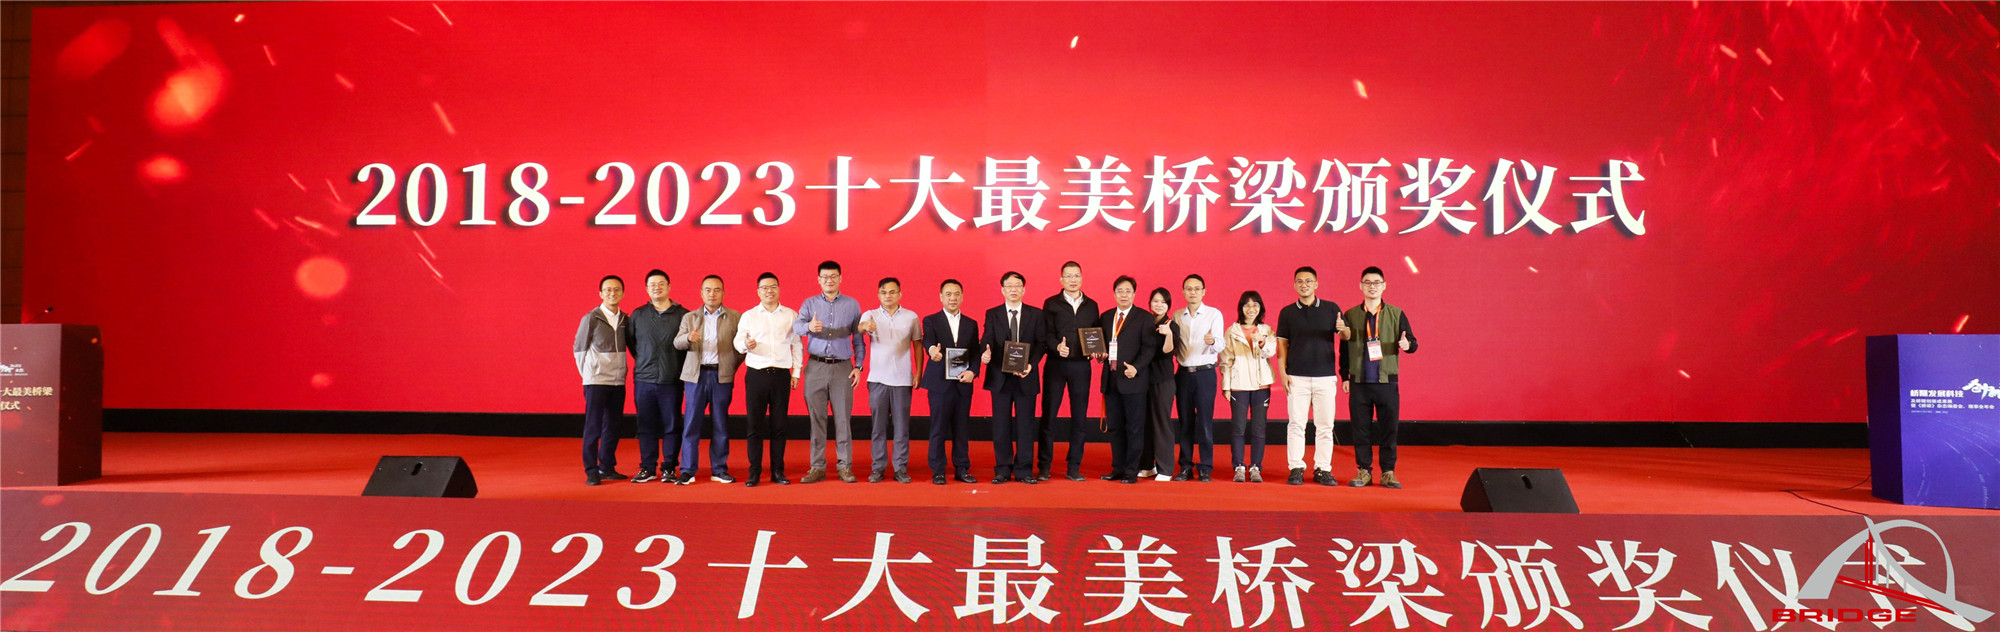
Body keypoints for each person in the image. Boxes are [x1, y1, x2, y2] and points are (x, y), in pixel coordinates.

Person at [1341, 266, 1419, 489]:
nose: (1372, 286)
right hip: (1359, 381)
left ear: (1384, 286)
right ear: (1360, 286)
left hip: (1387, 381)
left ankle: (1388, 472)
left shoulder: (1396, 313)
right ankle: (1364, 470)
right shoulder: (1351, 315)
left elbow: (1413, 343)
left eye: (1376, 282)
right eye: (1367, 282)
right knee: (1360, 429)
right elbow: (1343, 349)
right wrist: (1345, 376)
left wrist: (1407, 345)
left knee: (1389, 429)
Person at [1275, 266, 1349, 487]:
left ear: (1316, 284)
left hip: (1325, 377)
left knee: (1325, 426)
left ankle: (1323, 469)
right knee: (1296, 424)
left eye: (1308, 281)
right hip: (1296, 377)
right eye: (1299, 281)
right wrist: (1283, 373)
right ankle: (1296, 467)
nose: (1304, 285)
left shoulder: (1331, 309)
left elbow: (1346, 336)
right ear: (1294, 285)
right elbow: (1282, 345)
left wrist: (1343, 329)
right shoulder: (1287, 312)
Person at [794, 260, 866, 484]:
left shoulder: (852, 305)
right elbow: (796, 327)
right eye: (825, 277)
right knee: (817, 418)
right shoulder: (809, 303)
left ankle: (845, 466)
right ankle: (817, 466)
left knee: (843, 419)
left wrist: (858, 366)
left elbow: (858, 339)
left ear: (840, 278)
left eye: (833, 276)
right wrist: (808, 327)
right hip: (815, 366)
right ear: (818, 280)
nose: (829, 280)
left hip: (843, 367)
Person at [734, 272, 803, 487]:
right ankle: (754, 471)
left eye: (773, 287)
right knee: (754, 425)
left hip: (781, 375)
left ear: (779, 289)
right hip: (756, 374)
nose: (769, 291)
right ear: (758, 291)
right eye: (764, 287)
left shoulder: (791, 315)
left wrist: (796, 372)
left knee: (779, 425)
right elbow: (737, 341)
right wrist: (746, 345)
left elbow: (797, 345)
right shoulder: (749, 316)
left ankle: (777, 471)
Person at [672, 275, 743, 485]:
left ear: (723, 293)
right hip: (696, 377)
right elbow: (677, 343)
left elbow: (741, 349)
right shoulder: (690, 317)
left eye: (717, 290)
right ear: (701, 293)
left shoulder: (735, 317)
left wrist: (729, 366)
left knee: (720, 424)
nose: (712, 294)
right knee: (691, 424)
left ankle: (719, 469)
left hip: (721, 376)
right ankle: (687, 470)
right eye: (708, 290)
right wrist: (688, 338)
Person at [980, 271, 1047, 484]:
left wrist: (1031, 365)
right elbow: (987, 339)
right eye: (1009, 286)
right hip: (1000, 376)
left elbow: (1041, 343)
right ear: (1002, 290)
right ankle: (1002, 470)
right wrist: (985, 353)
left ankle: (1024, 471)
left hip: (1025, 376)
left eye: (1017, 285)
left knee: (1026, 426)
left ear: (1024, 289)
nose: (1013, 289)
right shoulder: (993, 314)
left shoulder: (1036, 314)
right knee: (1001, 426)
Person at [625, 270, 690, 484]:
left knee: (672, 425)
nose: (657, 287)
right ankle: (647, 467)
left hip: (672, 379)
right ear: (646, 289)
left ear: (669, 286)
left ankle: (669, 467)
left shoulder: (683, 315)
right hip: (644, 379)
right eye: (652, 284)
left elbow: (687, 346)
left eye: (661, 283)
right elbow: (633, 344)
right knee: (645, 425)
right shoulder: (638, 315)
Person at [1038, 261, 1099, 482]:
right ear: (1061, 279)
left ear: (1082, 278)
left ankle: (1074, 466)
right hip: (1056, 365)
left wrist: (1096, 351)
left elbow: (1095, 334)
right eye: (1069, 276)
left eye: (1077, 276)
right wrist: (1056, 347)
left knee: (1079, 418)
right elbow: (1045, 334)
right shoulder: (1051, 303)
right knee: (1049, 416)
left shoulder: (1091, 305)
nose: (1073, 280)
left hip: (1081, 366)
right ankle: (1044, 466)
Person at [1092, 275, 1156, 484]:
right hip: (1111, 380)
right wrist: (1099, 355)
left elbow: (1149, 349)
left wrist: (1136, 368)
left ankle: (1131, 470)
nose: (1124, 295)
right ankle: (1118, 468)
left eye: (1128, 291)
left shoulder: (1144, 317)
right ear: (1114, 294)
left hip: (1133, 380)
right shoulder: (1106, 317)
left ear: (1134, 294)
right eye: (1120, 291)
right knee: (1115, 427)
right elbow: (1101, 346)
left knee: (1134, 428)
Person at [859, 277, 922, 483]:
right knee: (878, 428)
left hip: (902, 380)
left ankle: (900, 468)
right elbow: (861, 328)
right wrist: (866, 326)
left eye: (892, 292)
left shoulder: (911, 317)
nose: (888, 296)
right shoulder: (871, 314)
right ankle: (878, 468)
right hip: (877, 380)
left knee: (902, 428)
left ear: (900, 294)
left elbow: (918, 345)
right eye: (884, 292)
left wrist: (918, 372)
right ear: (878, 295)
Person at [921, 279, 981, 485]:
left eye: (956, 294)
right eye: (948, 294)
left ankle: (962, 468)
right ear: (941, 297)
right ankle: (938, 470)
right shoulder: (931, 320)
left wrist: (973, 371)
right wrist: (932, 351)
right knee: (938, 427)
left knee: (962, 428)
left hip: (963, 383)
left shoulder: (971, 324)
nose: (952, 298)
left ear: (962, 297)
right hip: (940, 383)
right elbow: (928, 341)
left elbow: (975, 352)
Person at [573, 275, 630, 486]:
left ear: (622, 293)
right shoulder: (591, 318)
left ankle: (607, 467)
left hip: (618, 381)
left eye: (616, 290)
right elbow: (579, 349)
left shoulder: (625, 319)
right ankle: (591, 470)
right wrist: (590, 374)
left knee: (613, 426)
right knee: (593, 426)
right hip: (596, 381)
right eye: (608, 290)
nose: (612, 293)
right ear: (601, 294)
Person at [1171, 274, 1225, 482]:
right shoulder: (1177, 316)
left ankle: (1205, 467)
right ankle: (1185, 466)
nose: (1192, 292)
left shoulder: (1214, 314)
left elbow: (1220, 345)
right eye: (1188, 288)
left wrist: (1212, 342)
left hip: (1205, 373)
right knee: (1185, 422)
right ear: (1183, 292)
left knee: (1204, 422)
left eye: (1196, 288)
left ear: (1203, 292)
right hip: (1183, 374)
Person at [1219, 291, 1276, 483]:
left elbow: (1270, 352)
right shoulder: (1232, 330)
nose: (1251, 309)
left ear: (1260, 308)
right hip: (1239, 385)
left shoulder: (1266, 330)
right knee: (1238, 428)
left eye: (1255, 305)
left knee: (1259, 429)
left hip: (1261, 385)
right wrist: (1226, 386)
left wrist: (1261, 341)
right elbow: (1226, 360)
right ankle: (1239, 466)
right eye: (1247, 305)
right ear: (1241, 308)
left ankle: (1255, 467)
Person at [1140, 288, 1180, 481]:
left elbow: (1168, 351)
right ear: (1149, 303)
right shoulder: (1145, 322)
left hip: (1162, 380)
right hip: (1143, 379)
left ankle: (1165, 469)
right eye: (1155, 301)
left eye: (1163, 302)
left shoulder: (1171, 325)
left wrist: (1168, 334)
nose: (1159, 305)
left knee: (1161, 422)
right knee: (1144, 423)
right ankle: (1147, 466)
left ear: (1168, 305)